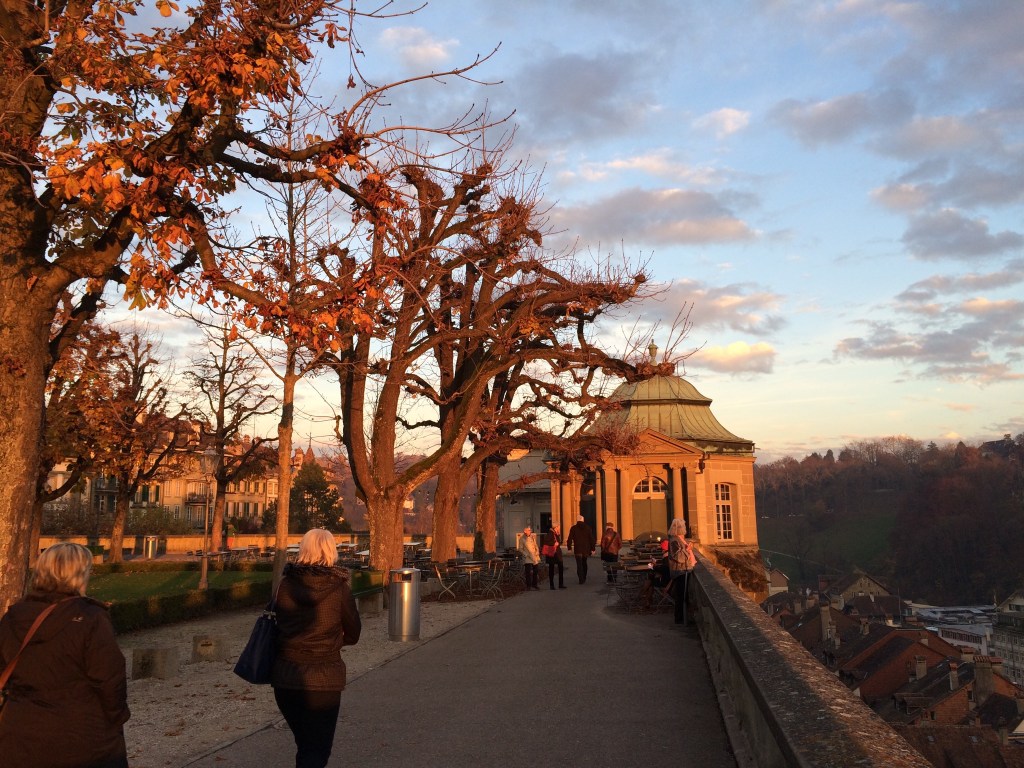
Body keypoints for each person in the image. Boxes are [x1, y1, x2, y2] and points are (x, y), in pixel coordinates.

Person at [0, 542, 130, 768]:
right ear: (79, 575)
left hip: (21, 733)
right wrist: (115, 718)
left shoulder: (13, 616)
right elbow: (110, 679)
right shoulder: (90, 617)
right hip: (81, 736)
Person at [272, 529, 361, 768]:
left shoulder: (284, 585)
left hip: (286, 676)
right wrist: (334, 641)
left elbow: (277, 624)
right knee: (317, 750)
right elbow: (354, 632)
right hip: (323, 678)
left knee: (306, 746)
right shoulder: (339, 588)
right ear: (331, 551)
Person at [666, 517, 697, 624]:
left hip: (683, 570)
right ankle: (680, 618)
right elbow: (678, 557)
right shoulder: (674, 540)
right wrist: (688, 550)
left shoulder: (678, 539)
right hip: (680, 571)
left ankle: (683, 617)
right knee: (681, 595)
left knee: (683, 595)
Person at [565, 514, 595, 584]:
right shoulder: (588, 528)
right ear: (583, 520)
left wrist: (569, 548)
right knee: (584, 563)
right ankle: (584, 576)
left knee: (579, 564)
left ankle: (580, 579)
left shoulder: (573, 528)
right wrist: (593, 549)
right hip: (586, 549)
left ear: (577, 520)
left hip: (578, 549)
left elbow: (569, 539)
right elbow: (591, 539)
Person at [543, 523, 566, 590]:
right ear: (555, 527)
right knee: (551, 569)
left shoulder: (556, 533)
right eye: (558, 527)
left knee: (560, 568)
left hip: (557, 553)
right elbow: (546, 542)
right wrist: (554, 543)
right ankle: (552, 585)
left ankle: (560, 584)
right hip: (552, 554)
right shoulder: (550, 534)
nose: (559, 528)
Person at [517, 524, 541, 590]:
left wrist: (537, 551)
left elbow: (535, 545)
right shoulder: (522, 539)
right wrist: (525, 554)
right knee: (528, 572)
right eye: (529, 530)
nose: (530, 531)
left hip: (534, 557)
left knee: (535, 571)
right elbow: (520, 548)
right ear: (525, 531)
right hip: (528, 558)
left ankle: (535, 584)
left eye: (530, 530)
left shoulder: (532, 537)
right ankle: (528, 586)